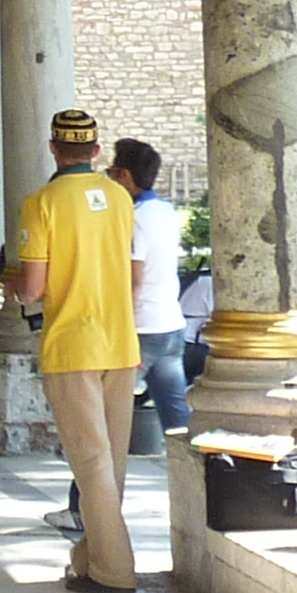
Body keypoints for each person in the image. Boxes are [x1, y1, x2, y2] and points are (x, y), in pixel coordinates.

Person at [7, 106, 140, 593]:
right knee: (113, 464)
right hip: (120, 343)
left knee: (89, 461)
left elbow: (34, 288)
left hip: (72, 344)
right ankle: (90, 557)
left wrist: (14, 287)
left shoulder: (40, 203)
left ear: (53, 148)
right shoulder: (120, 198)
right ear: (96, 150)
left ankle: (115, 570)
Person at [110, 138, 191, 441]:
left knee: (109, 419)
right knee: (178, 420)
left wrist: (124, 330)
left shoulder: (134, 219)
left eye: (112, 172)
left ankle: (88, 490)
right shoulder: (165, 210)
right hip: (170, 323)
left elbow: (135, 279)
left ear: (125, 176)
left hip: (142, 328)